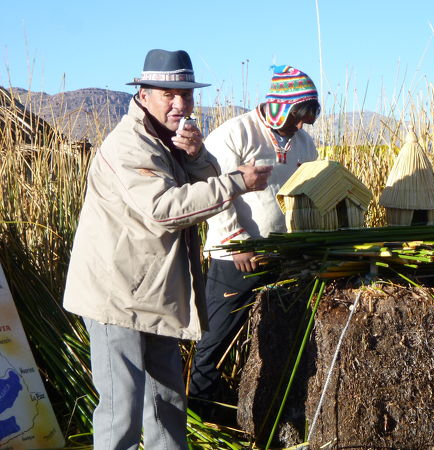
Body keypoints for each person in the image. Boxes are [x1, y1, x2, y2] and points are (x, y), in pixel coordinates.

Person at [62, 49, 272, 450]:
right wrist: (238, 182)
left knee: (167, 403)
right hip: (116, 297)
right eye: (168, 94)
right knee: (121, 409)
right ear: (143, 94)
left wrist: (196, 156)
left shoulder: (169, 138)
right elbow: (165, 210)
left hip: (156, 293)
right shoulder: (129, 145)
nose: (180, 104)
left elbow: (202, 186)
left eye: (187, 95)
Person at [189, 65, 321, 416]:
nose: (301, 125)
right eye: (297, 115)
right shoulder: (234, 135)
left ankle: (273, 408)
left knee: (281, 333)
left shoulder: (304, 143)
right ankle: (201, 409)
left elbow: (308, 192)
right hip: (235, 257)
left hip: (285, 257)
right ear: (281, 106)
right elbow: (213, 191)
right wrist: (238, 240)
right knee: (216, 337)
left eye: (306, 117)